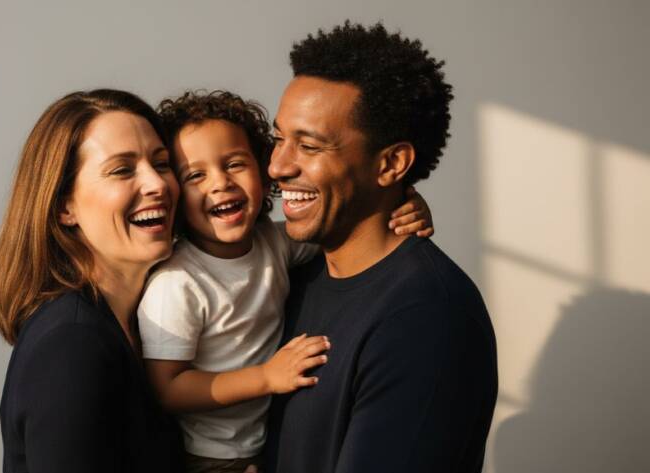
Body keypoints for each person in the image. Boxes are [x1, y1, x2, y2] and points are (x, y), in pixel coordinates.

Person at [136, 90, 435, 473]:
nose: (220, 183)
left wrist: (403, 205)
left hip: (268, 444)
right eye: (195, 175)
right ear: (174, 195)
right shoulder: (177, 283)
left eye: (235, 164)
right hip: (211, 457)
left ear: (264, 172)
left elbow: (346, 228)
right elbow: (168, 388)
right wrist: (264, 377)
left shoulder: (275, 242)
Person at [265, 22, 499, 473]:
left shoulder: (429, 317)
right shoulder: (294, 275)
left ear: (391, 163)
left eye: (309, 145)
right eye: (279, 138)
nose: (277, 165)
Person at [0, 89, 184, 472]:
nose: (157, 184)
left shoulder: (134, 328)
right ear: (64, 206)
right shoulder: (73, 344)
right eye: (122, 170)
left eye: (161, 164)